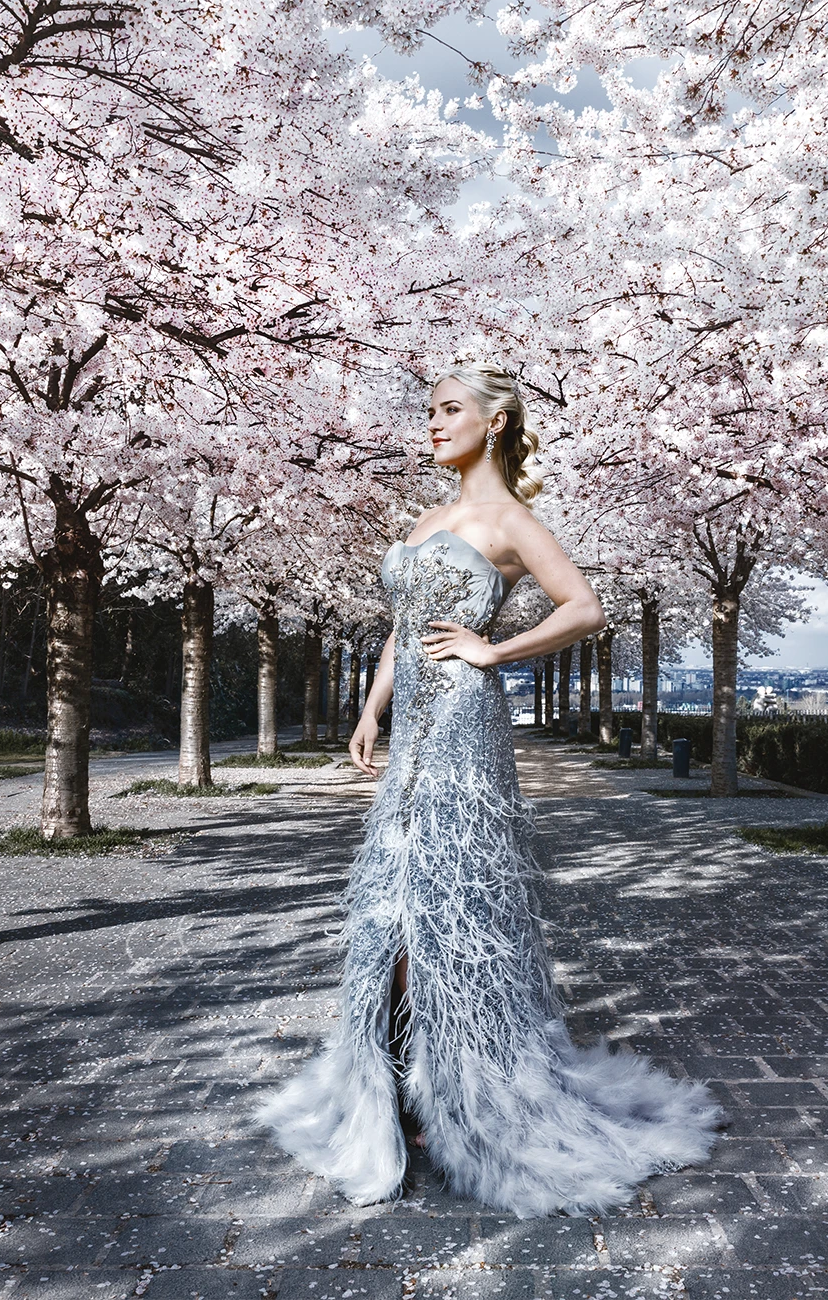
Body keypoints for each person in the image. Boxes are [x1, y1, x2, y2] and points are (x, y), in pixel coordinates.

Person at [257, 364, 720, 1218]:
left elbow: (584, 607)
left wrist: (495, 653)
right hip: (412, 732)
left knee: (444, 901)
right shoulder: (429, 517)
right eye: (429, 412)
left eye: (449, 410)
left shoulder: (508, 520)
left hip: (467, 725)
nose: (431, 425)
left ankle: (455, 1086)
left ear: (496, 422)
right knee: (391, 900)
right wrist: (371, 710)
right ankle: (396, 1083)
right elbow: (404, 631)